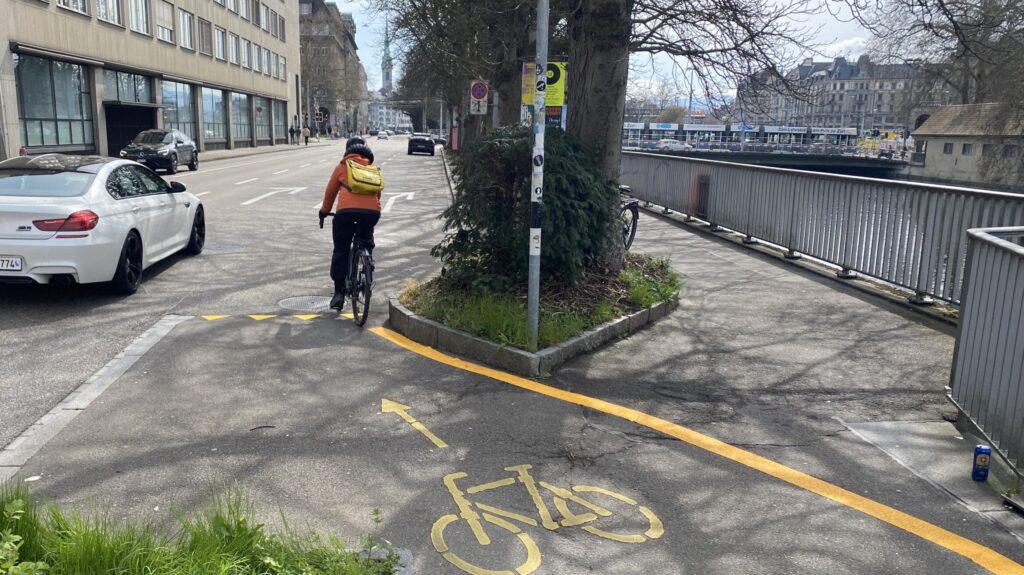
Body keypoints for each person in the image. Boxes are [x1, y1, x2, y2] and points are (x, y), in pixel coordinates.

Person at [319, 137, 381, 310]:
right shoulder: (372, 169)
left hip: (345, 214)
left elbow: (330, 193)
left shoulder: (342, 167)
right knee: (365, 237)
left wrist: (324, 211)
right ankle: (367, 259)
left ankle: (339, 293)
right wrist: (373, 211)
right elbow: (377, 195)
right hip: (371, 214)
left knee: (341, 250)